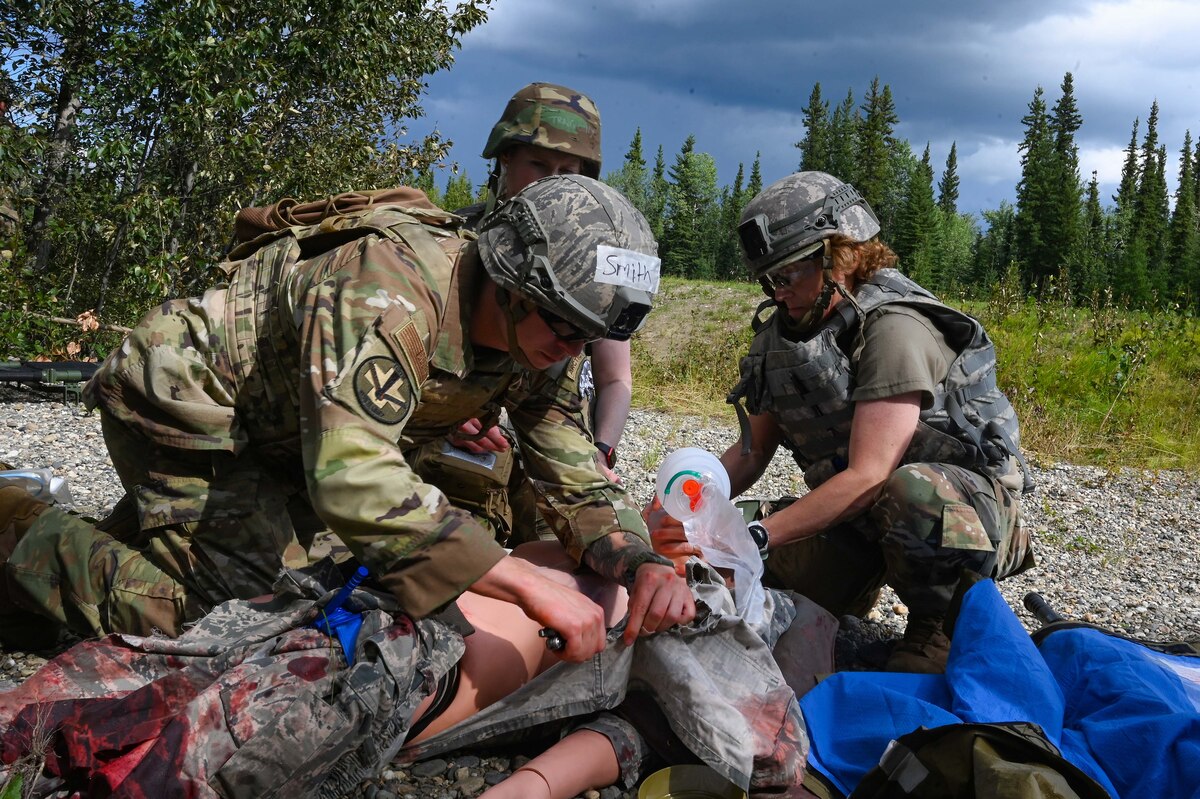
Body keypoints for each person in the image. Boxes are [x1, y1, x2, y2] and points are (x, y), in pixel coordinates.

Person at [0, 174, 691, 663]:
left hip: (289, 428)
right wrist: (524, 581)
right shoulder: (392, 288)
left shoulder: (539, 339)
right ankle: (17, 526)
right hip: (192, 407)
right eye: (563, 325)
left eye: (587, 335)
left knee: (286, 573)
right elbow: (354, 476)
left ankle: (61, 570)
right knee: (248, 621)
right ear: (511, 279)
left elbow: (573, 472)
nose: (570, 349)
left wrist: (639, 559)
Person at [651, 171, 1036, 674]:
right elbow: (751, 453)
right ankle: (852, 585)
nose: (776, 292)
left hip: (960, 515)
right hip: (862, 517)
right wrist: (683, 508)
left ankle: (937, 624)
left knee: (910, 491)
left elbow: (871, 475)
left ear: (839, 256)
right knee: (711, 547)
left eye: (786, 276)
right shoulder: (781, 340)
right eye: (767, 280)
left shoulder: (894, 329)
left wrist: (758, 537)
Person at [420, 82, 633, 547]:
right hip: (449, 441)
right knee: (464, 539)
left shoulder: (592, 263)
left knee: (584, 543)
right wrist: (446, 416)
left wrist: (598, 452)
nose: (550, 181)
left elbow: (616, 379)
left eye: (567, 170)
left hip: (548, 435)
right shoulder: (454, 246)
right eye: (537, 164)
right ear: (504, 161)